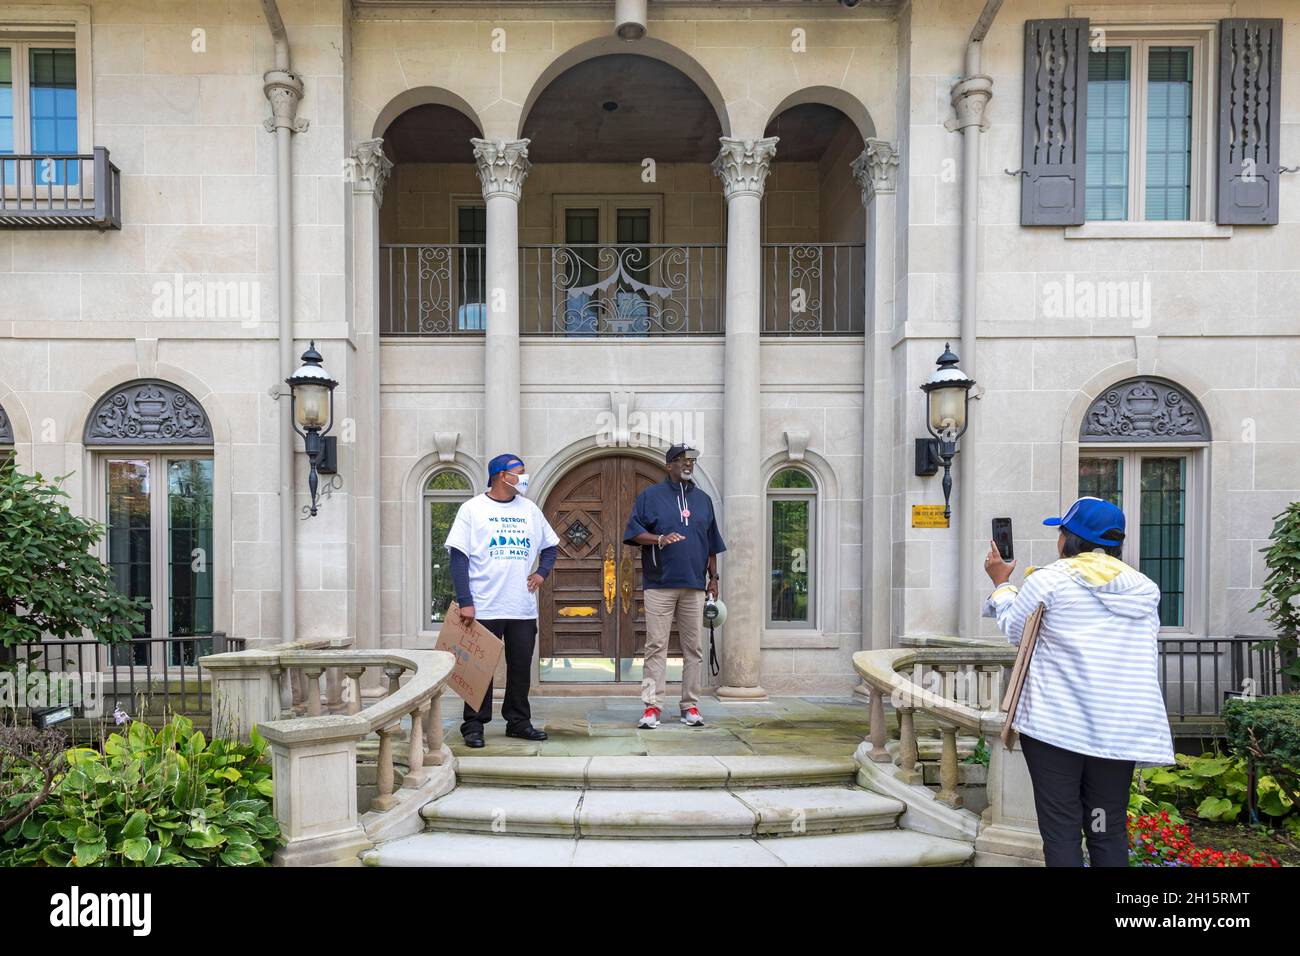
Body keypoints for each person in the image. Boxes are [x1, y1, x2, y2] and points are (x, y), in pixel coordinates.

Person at [982, 496, 1175, 867]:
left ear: (1070, 539)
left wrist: (1001, 584)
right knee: (1107, 827)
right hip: (1118, 732)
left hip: (1057, 730)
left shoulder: (1049, 581)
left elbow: (1014, 631)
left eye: (1061, 532)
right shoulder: (1145, 589)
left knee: (1062, 830)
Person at [445, 453, 559, 749]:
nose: (524, 476)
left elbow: (550, 547)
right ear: (500, 476)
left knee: (520, 668)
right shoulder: (473, 509)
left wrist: (542, 574)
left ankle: (518, 722)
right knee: (478, 669)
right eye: (519, 472)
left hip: (521, 606)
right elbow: (458, 559)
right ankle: (473, 724)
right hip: (483, 604)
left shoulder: (530, 510)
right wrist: (465, 601)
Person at [623, 444, 724, 729]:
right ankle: (652, 707)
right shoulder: (650, 497)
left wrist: (713, 580)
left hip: (694, 586)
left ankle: (690, 705)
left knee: (694, 648)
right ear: (669, 466)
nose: (687, 465)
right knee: (656, 646)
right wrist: (659, 539)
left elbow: (712, 545)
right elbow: (633, 532)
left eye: (690, 460)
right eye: (681, 461)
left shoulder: (703, 500)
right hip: (660, 584)